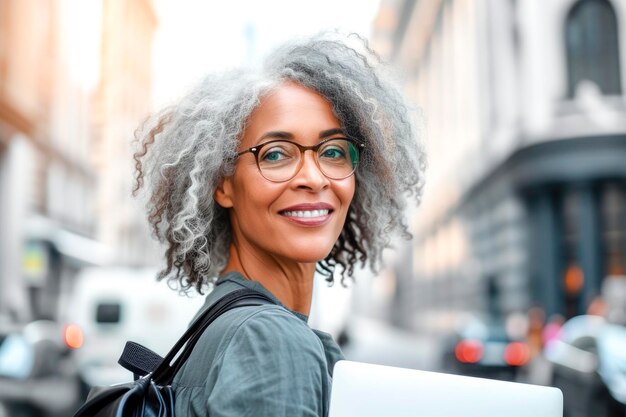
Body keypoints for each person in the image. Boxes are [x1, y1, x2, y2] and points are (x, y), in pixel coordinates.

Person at [132, 32, 426, 417]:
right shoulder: (270, 340)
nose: (314, 178)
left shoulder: (222, 319)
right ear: (222, 185)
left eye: (333, 151)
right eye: (275, 154)